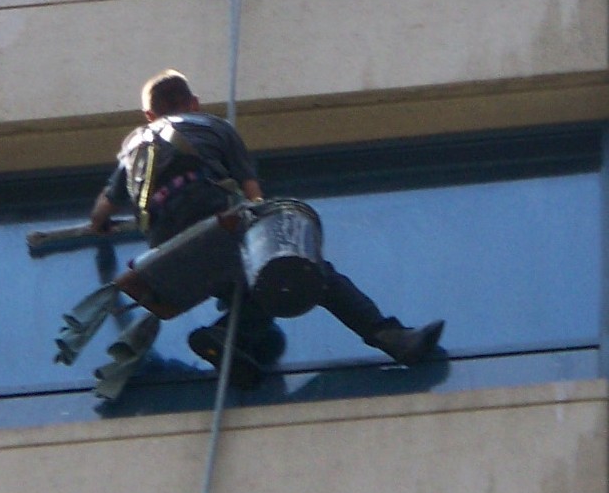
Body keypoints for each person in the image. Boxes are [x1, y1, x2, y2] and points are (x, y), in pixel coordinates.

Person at [88, 69, 443, 389]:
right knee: (302, 270)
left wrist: (101, 227)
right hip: (217, 225)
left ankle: (229, 335)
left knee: (251, 288)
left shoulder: (134, 147)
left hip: (168, 249)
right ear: (194, 103)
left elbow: (102, 210)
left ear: (149, 115)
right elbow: (252, 193)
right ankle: (389, 336)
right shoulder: (214, 126)